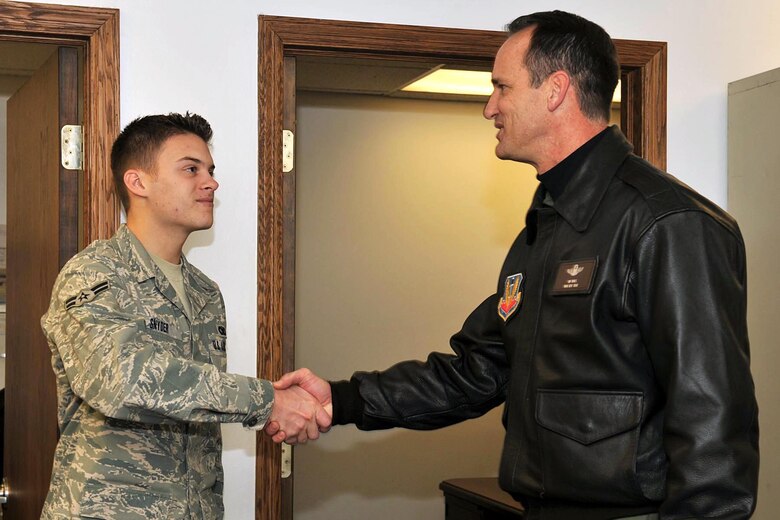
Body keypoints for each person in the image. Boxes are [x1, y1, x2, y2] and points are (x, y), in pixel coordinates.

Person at [269, 10, 759, 520]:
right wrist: (342, 400)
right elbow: (477, 370)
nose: (489, 108)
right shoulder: (549, 224)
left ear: (555, 90)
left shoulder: (668, 223)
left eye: (502, 87)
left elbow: (714, 425)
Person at [40, 113, 329, 519]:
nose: (210, 182)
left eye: (210, 170)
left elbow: (198, 415)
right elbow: (123, 381)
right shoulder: (95, 273)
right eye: (191, 169)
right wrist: (267, 401)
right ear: (137, 182)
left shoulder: (205, 293)